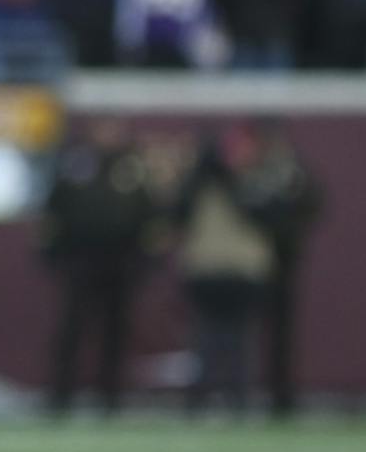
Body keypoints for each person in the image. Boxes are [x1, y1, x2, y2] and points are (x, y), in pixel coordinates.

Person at [38, 118, 155, 415]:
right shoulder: (76, 165)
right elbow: (54, 210)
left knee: (114, 332)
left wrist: (143, 258)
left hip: (119, 259)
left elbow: (148, 215)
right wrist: (53, 252)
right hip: (81, 258)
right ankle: (61, 397)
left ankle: (110, 397)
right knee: (72, 330)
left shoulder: (132, 168)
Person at [176, 128, 273, 414]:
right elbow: (178, 212)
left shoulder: (256, 182)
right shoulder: (202, 186)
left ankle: (239, 400)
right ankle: (198, 401)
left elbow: (268, 214)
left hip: (243, 270)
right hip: (207, 268)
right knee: (205, 341)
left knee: (239, 341)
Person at [241, 120, 321, 417]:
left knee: (282, 334)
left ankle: (281, 394)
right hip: (250, 262)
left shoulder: (293, 174)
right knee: (243, 332)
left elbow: (314, 202)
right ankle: (245, 392)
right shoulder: (253, 173)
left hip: (284, 261)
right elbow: (245, 207)